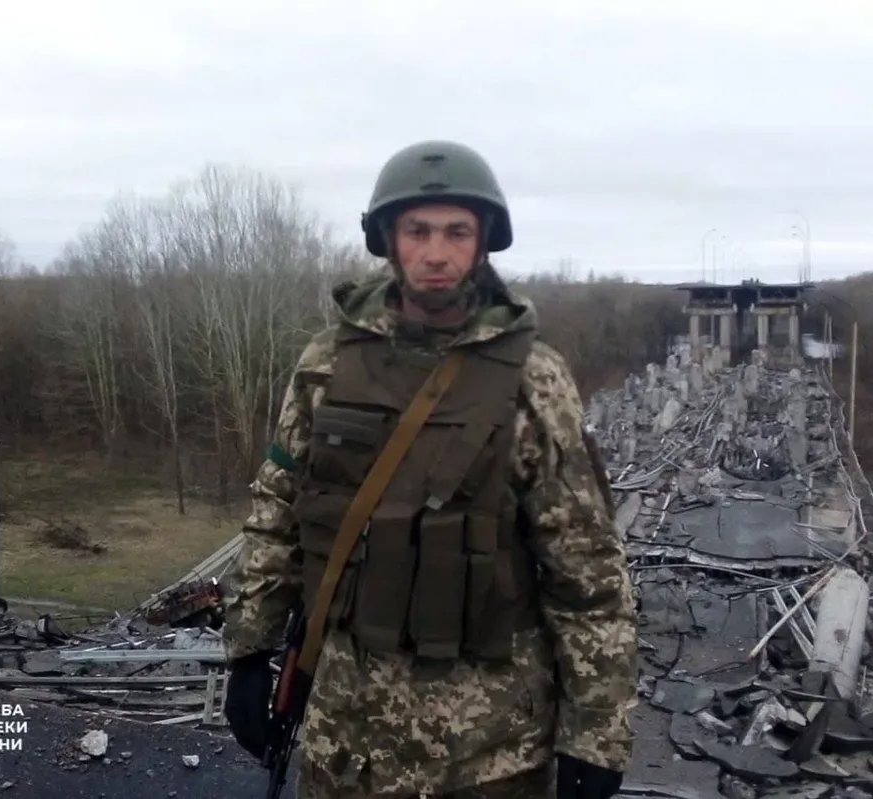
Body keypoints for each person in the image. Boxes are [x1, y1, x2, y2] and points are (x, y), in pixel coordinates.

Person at [221, 140, 638, 799]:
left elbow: (586, 574)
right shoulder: (326, 365)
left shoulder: (535, 380)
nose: (436, 253)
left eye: (456, 232)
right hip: (345, 741)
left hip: (489, 753)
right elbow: (278, 511)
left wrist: (596, 733)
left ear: (483, 242)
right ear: (388, 239)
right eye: (418, 231)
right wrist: (249, 649)